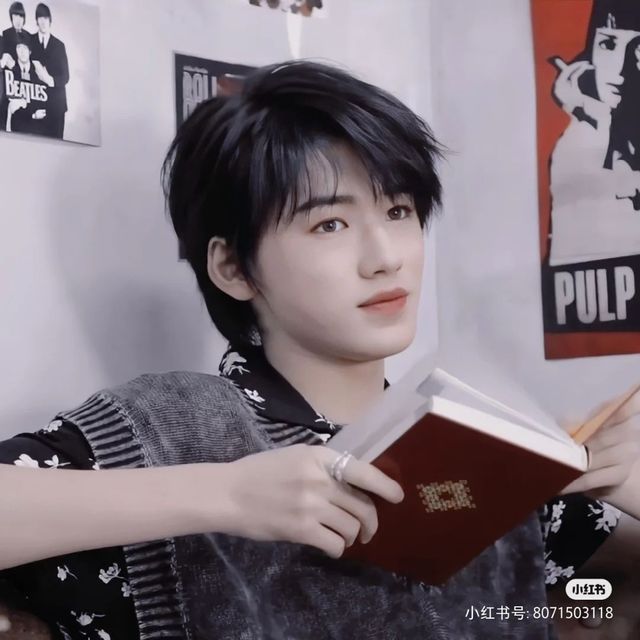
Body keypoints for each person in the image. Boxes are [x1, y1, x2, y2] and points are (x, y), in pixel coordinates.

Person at [0, 60, 638, 640]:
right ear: (233, 268)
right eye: (329, 223)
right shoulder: (173, 424)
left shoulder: (475, 448)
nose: (385, 257)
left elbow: (600, 599)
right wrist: (227, 495)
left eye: (399, 211)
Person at [548, 0, 640, 266]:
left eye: (637, 49)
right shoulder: (577, 144)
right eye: (608, 44)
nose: (620, 68)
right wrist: (587, 117)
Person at [29, 2, 68, 139]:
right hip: (36, 105)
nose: (43, 22)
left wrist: (50, 80)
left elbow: (65, 76)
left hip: (56, 106)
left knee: (56, 145)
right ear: (36, 21)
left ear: (50, 20)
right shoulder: (29, 40)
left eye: (46, 18)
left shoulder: (59, 45)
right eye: (40, 18)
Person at [4, 33, 49, 135]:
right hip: (16, 129)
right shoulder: (10, 71)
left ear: (30, 51)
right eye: (19, 47)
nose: (22, 52)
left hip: (37, 130)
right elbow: (12, 108)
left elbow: (43, 105)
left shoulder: (38, 71)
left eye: (25, 48)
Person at [0, 2, 31, 133]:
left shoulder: (30, 37)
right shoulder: (5, 35)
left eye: (20, 16)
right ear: (11, 18)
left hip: (24, 82)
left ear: (24, 18)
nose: (18, 20)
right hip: (8, 82)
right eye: (15, 16)